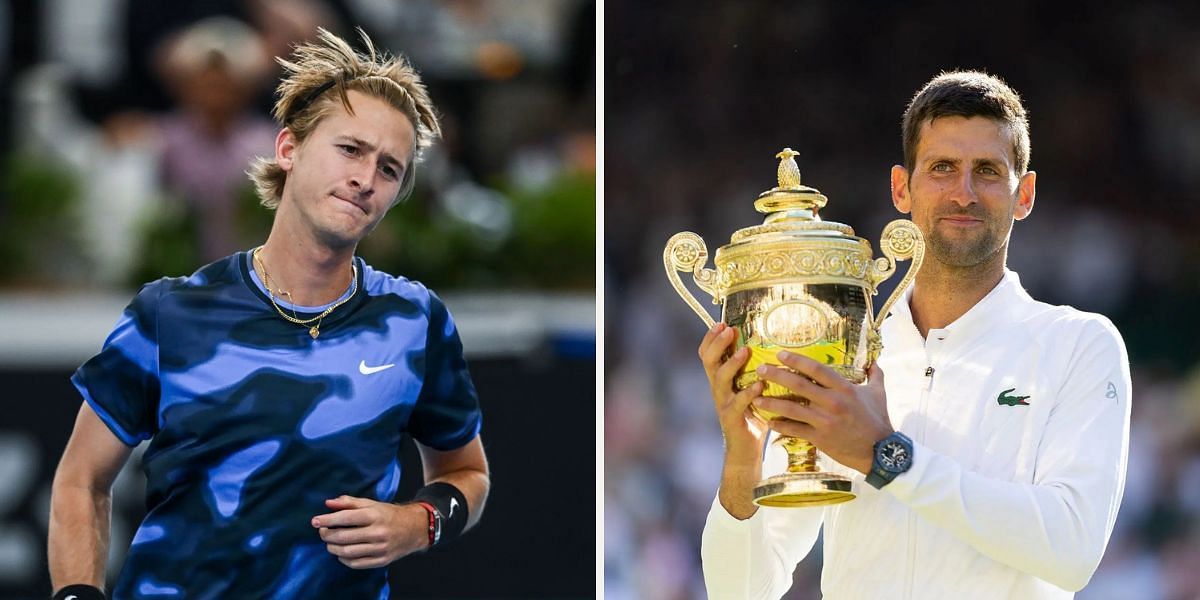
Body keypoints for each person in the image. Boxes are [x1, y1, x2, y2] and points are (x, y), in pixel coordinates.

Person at [47, 28, 489, 600]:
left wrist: (417, 524)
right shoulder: (171, 312)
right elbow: (82, 481)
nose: (364, 180)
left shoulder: (415, 320)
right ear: (288, 149)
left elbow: (467, 474)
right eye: (350, 149)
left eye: (389, 169)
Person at [699, 70, 1131, 599]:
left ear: (1025, 194)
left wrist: (885, 456)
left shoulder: (1080, 344)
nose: (964, 193)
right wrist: (742, 454)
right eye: (942, 168)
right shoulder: (843, 352)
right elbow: (740, 591)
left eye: (989, 171)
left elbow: (1071, 551)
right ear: (902, 188)